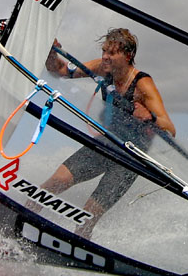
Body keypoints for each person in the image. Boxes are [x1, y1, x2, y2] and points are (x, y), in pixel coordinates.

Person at [41, 27, 174, 237]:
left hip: (131, 159)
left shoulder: (143, 85)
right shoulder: (103, 68)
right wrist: (51, 53)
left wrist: (151, 117)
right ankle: (15, 217)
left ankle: (78, 249)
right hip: (107, 143)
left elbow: (170, 127)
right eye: (104, 51)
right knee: (55, 182)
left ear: (128, 55)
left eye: (111, 53)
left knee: (87, 215)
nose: (105, 57)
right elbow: (60, 71)